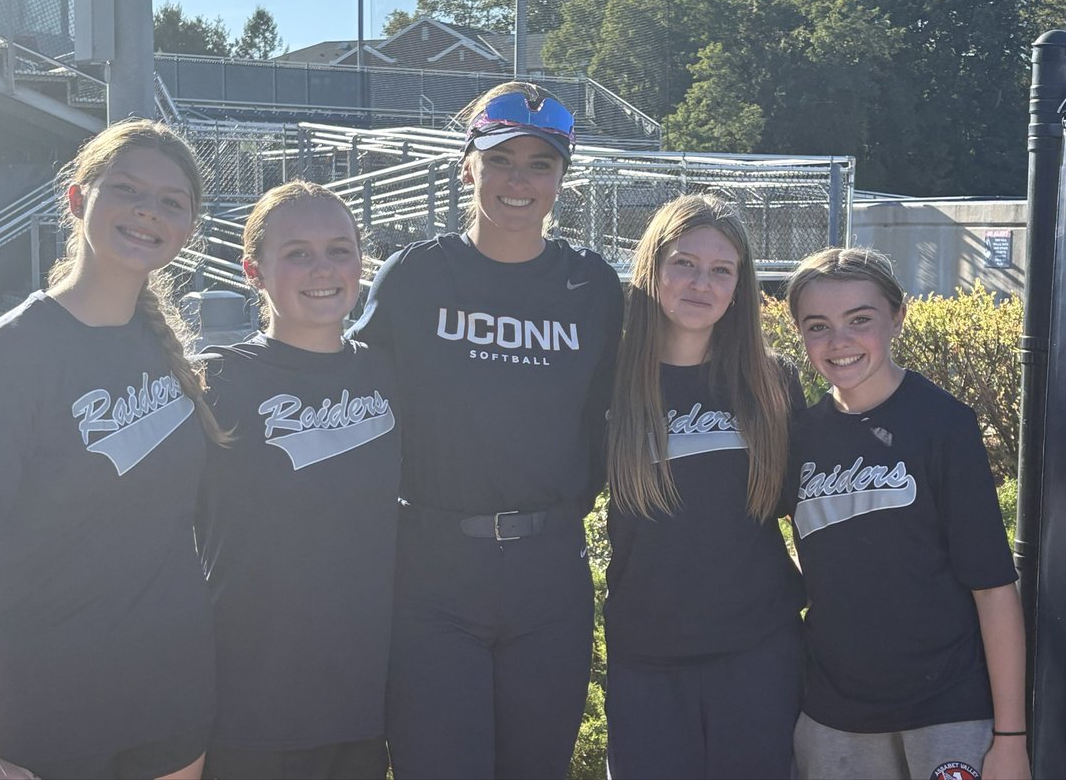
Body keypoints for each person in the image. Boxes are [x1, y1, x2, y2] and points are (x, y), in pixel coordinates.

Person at [0, 119, 223, 780]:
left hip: (171, 698)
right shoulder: (7, 360)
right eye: (126, 188)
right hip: (46, 717)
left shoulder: (162, 347)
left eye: (171, 201)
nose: (147, 210)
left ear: (188, 228)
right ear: (77, 199)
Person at [348, 81, 624, 779]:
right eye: (500, 159)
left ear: (562, 178)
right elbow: (351, 391)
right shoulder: (417, 276)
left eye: (540, 164)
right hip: (434, 570)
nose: (518, 181)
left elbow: (615, 409)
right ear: (467, 166)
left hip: (549, 574)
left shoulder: (591, 286)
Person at [785, 247, 1030, 780]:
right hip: (835, 718)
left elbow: (992, 588)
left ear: (897, 317)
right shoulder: (798, 438)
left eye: (860, 319)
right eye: (818, 325)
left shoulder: (945, 425)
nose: (839, 341)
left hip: (948, 712)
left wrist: (1012, 737)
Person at [194, 180, 401, 780]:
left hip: (362, 705)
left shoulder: (391, 374)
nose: (323, 268)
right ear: (253, 270)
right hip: (248, 707)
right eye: (297, 253)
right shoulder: (212, 382)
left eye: (339, 250)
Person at [602, 193, 807, 780]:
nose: (702, 283)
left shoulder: (772, 383)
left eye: (722, 270)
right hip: (647, 657)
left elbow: (806, 514)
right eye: (685, 263)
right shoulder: (609, 383)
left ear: (740, 286)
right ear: (652, 268)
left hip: (761, 653)